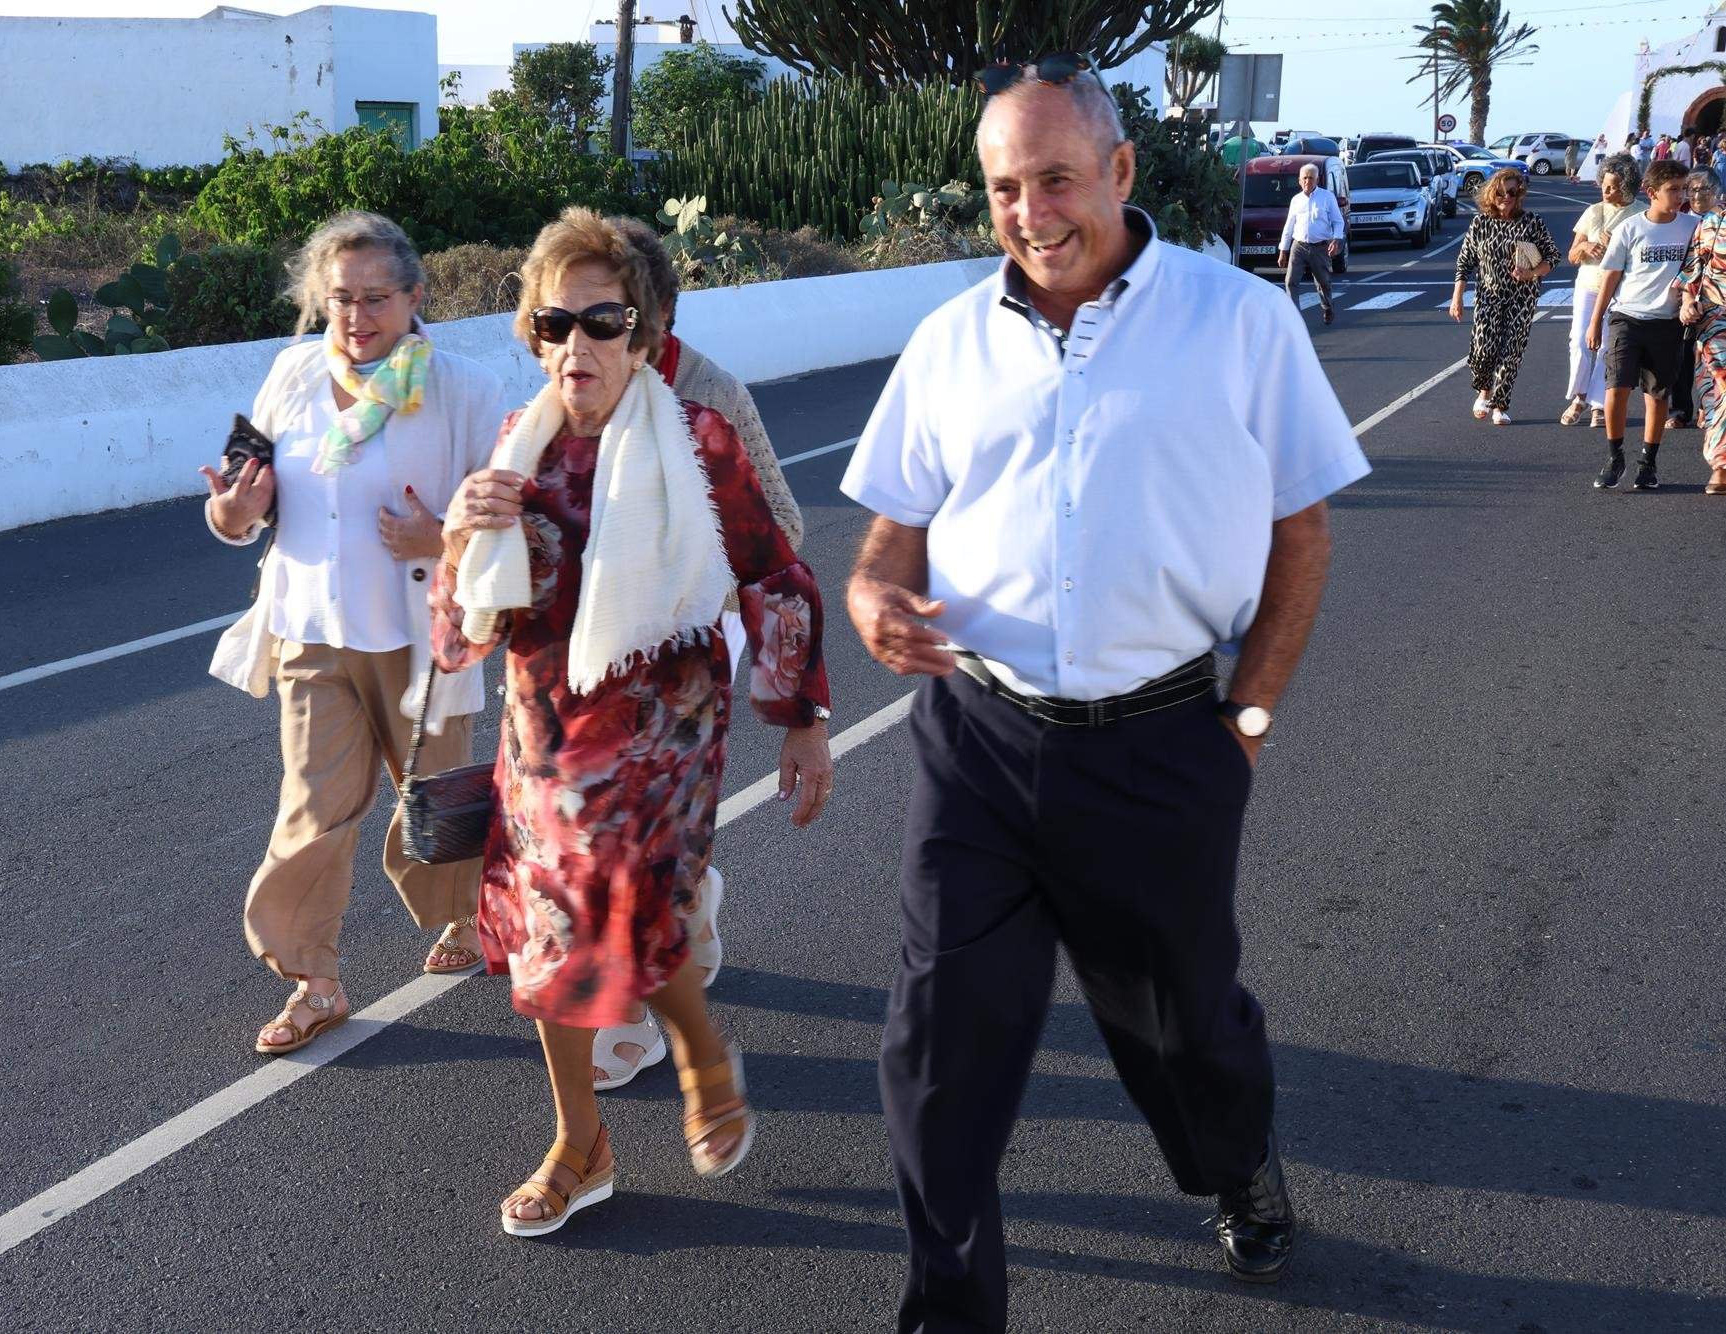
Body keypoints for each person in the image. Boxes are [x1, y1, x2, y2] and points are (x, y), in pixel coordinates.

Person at [843, 59, 1370, 1330]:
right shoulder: (950, 341)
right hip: (980, 737)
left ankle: (1235, 1169)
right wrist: (870, 598)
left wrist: (1244, 719)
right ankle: (952, 1307)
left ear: (1122, 171)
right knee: (938, 1042)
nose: (1033, 211)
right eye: (1006, 186)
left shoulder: (1240, 321)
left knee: (1184, 1028)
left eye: (1058, 178)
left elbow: (1304, 537)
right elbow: (889, 532)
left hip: (1159, 746)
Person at [430, 207, 833, 1237]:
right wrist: (463, 536)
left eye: (603, 321)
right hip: (546, 732)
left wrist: (802, 716)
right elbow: (457, 636)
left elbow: (774, 570)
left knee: (611, 885)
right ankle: (584, 1139)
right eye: (554, 323)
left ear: (645, 333)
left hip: (665, 726)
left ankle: (694, 1052)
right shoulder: (513, 455)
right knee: (547, 932)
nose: (578, 345)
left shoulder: (698, 439)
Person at [202, 211, 507, 1054]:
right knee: (312, 808)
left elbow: (512, 514)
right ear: (318, 301)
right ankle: (314, 979)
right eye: (340, 298)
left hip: (421, 635)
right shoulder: (291, 374)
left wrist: (440, 536)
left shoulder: (465, 390)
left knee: (434, 801)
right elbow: (240, 493)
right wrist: (229, 514)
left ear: (415, 297)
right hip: (311, 630)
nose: (358, 315)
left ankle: (460, 915)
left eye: (377, 297)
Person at [583, 217, 809, 1091]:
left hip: (686, 661)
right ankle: (664, 945)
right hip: (588, 664)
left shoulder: (711, 394)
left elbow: (782, 528)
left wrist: (685, 560)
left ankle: (634, 1010)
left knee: (653, 845)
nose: (605, 336)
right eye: (589, 314)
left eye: (628, 315)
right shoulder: (564, 389)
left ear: (664, 312)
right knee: (605, 846)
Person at [1587, 160, 1699, 490]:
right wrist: (1596, 321)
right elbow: (1610, 277)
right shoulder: (1631, 229)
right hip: (1627, 318)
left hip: (1667, 323)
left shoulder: (1692, 227)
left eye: (1683, 188)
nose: (1680, 196)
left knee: (1656, 396)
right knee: (1616, 389)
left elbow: (1700, 268)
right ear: (1651, 193)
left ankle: (1647, 463)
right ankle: (1614, 455)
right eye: (1673, 190)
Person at [1450, 168, 1560, 425]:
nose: (1506, 197)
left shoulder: (1532, 222)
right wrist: (1457, 297)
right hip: (1488, 295)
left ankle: (1499, 405)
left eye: (1512, 192)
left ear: (1519, 193)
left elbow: (1553, 257)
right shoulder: (1480, 223)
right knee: (1482, 350)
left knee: (1511, 352)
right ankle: (1484, 390)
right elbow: (1464, 262)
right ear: (1492, 193)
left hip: (1522, 298)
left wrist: (1532, 272)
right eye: (1501, 192)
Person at [1562, 159, 1643, 427]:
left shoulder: (1640, 214)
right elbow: (1572, 255)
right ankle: (1579, 396)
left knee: (1609, 347)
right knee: (1580, 341)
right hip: (1588, 285)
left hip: (1622, 291)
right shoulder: (1593, 212)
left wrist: (1618, 245)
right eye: (1604, 186)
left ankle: (1597, 404)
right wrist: (1587, 247)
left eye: (1612, 188)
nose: (1606, 193)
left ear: (1628, 187)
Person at [1676, 188, 1726, 492]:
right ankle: (1721, 465)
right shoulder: (1710, 222)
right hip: (1714, 320)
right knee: (1718, 388)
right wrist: (1686, 302)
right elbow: (1692, 270)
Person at [1670, 171, 1718, 428]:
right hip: (1684, 296)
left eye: (1704, 189)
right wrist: (1686, 298)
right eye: (1693, 189)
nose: (1697, 195)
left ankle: (1706, 406)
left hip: (1715, 302)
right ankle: (1680, 410)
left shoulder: (1718, 221)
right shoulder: (1680, 220)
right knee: (1682, 356)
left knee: (1709, 358)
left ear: (1718, 190)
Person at [1279, 161, 1345, 325]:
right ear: (1299, 181)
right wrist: (1283, 250)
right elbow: (1289, 225)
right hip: (1299, 245)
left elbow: (1338, 221)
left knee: (1323, 282)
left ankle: (1327, 307)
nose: (1307, 181)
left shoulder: (1326, 197)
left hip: (1320, 246)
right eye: (1304, 178)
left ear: (1317, 180)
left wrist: (1336, 239)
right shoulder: (1296, 200)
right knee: (1290, 281)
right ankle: (1294, 316)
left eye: (1311, 178)